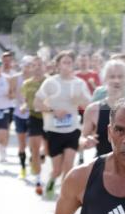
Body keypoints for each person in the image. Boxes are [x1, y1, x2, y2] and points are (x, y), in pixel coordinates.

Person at [34, 50, 91, 198]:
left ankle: (65, 197)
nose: (67, 65)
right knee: (57, 169)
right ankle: (52, 181)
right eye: (64, 62)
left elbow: (89, 105)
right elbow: (37, 103)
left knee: (69, 165)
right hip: (54, 131)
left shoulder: (79, 83)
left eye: (70, 62)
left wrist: (79, 100)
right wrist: (53, 111)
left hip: (72, 129)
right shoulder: (51, 82)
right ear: (58, 65)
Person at [81, 60, 125, 157]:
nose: (116, 81)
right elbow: (82, 139)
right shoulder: (93, 109)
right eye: (112, 77)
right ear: (105, 79)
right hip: (103, 166)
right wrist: (86, 141)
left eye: (120, 76)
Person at [20, 54, 48, 193]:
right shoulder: (26, 84)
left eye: (40, 65)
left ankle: (43, 154)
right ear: (31, 68)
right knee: (34, 149)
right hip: (33, 117)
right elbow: (25, 100)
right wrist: (24, 106)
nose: (37, 68)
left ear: (44, 66)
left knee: (47, 150)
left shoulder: (50, 81)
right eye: (34, 66)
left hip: (49, 118)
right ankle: (38, 179)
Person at [13, 56, 34, 178]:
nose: (27, 68)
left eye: (29, 65)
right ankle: (22, 168)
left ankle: (33, 163)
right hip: (19, 114)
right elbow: (16, 94)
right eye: (25, 65)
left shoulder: (35, 80)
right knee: (22, 143)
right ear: (22, 66)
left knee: (33, 142)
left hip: (32, 115)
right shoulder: (17, 78)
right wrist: (22, 103)